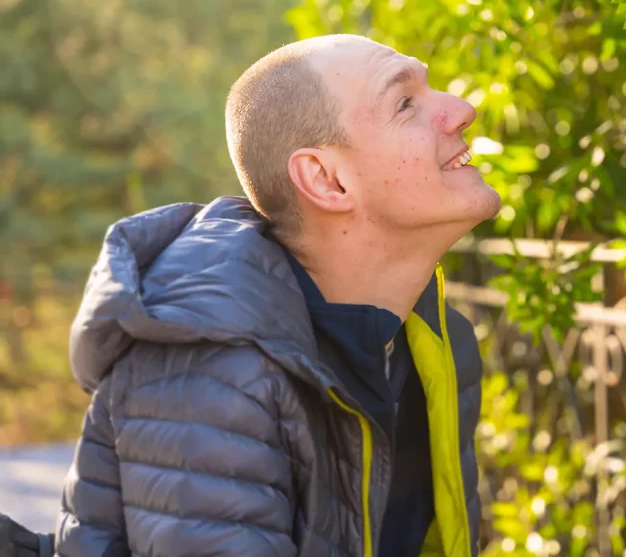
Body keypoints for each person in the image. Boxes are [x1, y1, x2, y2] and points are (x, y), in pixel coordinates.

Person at [50, 34, 502, 556]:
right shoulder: (210, 373)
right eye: (405, 104)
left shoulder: (437, 344)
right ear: (326, 180)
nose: (463, 109)